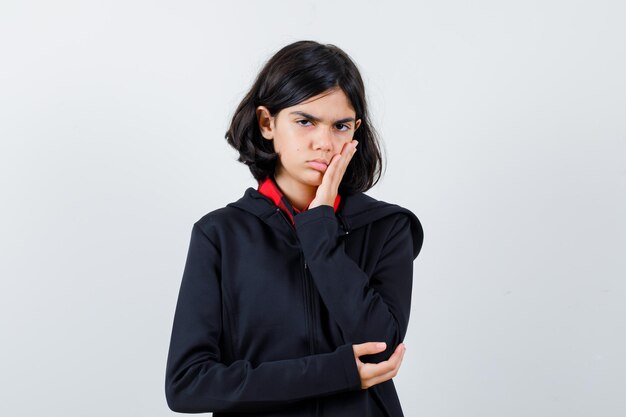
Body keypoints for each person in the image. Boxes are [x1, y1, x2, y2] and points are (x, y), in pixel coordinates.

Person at [164, 40, 424, 416]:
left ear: (356, 132)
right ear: (267, 123)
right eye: (305, 121)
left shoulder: (387, 227)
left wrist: (319, 229)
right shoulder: (220, 235)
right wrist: (334, 372)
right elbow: (188, 385)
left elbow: (380, 349)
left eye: (340, 126)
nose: (324, 142)